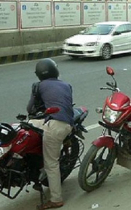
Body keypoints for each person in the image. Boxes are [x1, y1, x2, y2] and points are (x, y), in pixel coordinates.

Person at [27, 58, 74, 209]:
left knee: (51, 164)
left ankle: (56, 199)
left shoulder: (38, 86)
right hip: (67, 124)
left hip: (55, 126)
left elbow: (30, 109)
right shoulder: (66, 85)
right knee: (28, 126)